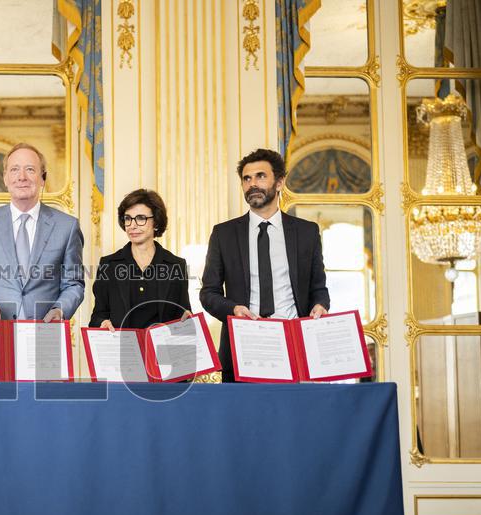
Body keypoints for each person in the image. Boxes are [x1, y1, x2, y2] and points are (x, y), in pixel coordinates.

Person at [199, 148, 330, 383]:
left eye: (261, 176)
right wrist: (234, 310)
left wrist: (320, 305)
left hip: (295, 344)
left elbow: (318, 288)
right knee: (244, 420)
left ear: (279, 182)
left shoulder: (307, 232)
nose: (252, 184)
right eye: (247, 179)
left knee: (292, 418)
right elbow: (209, 293)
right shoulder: (224, 234)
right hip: (243, 344)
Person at [0, 142, 84, 322]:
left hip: (45, 334)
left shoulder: (68, 226)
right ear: (5, 178)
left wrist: (60, 309)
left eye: (30, 170)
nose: (21, 177)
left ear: (43, 178)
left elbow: (74, 284)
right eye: (14, 170)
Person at [89, 189, 192, 331]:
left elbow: (183, 313)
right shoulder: (108, 265)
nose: (132, 225)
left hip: (161, 350)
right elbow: (98, 315)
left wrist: (187, 320)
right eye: (127, 218)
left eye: (141, 218)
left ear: (156, 222)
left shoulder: (176, 265)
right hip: (123, 349)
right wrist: (102, 322)